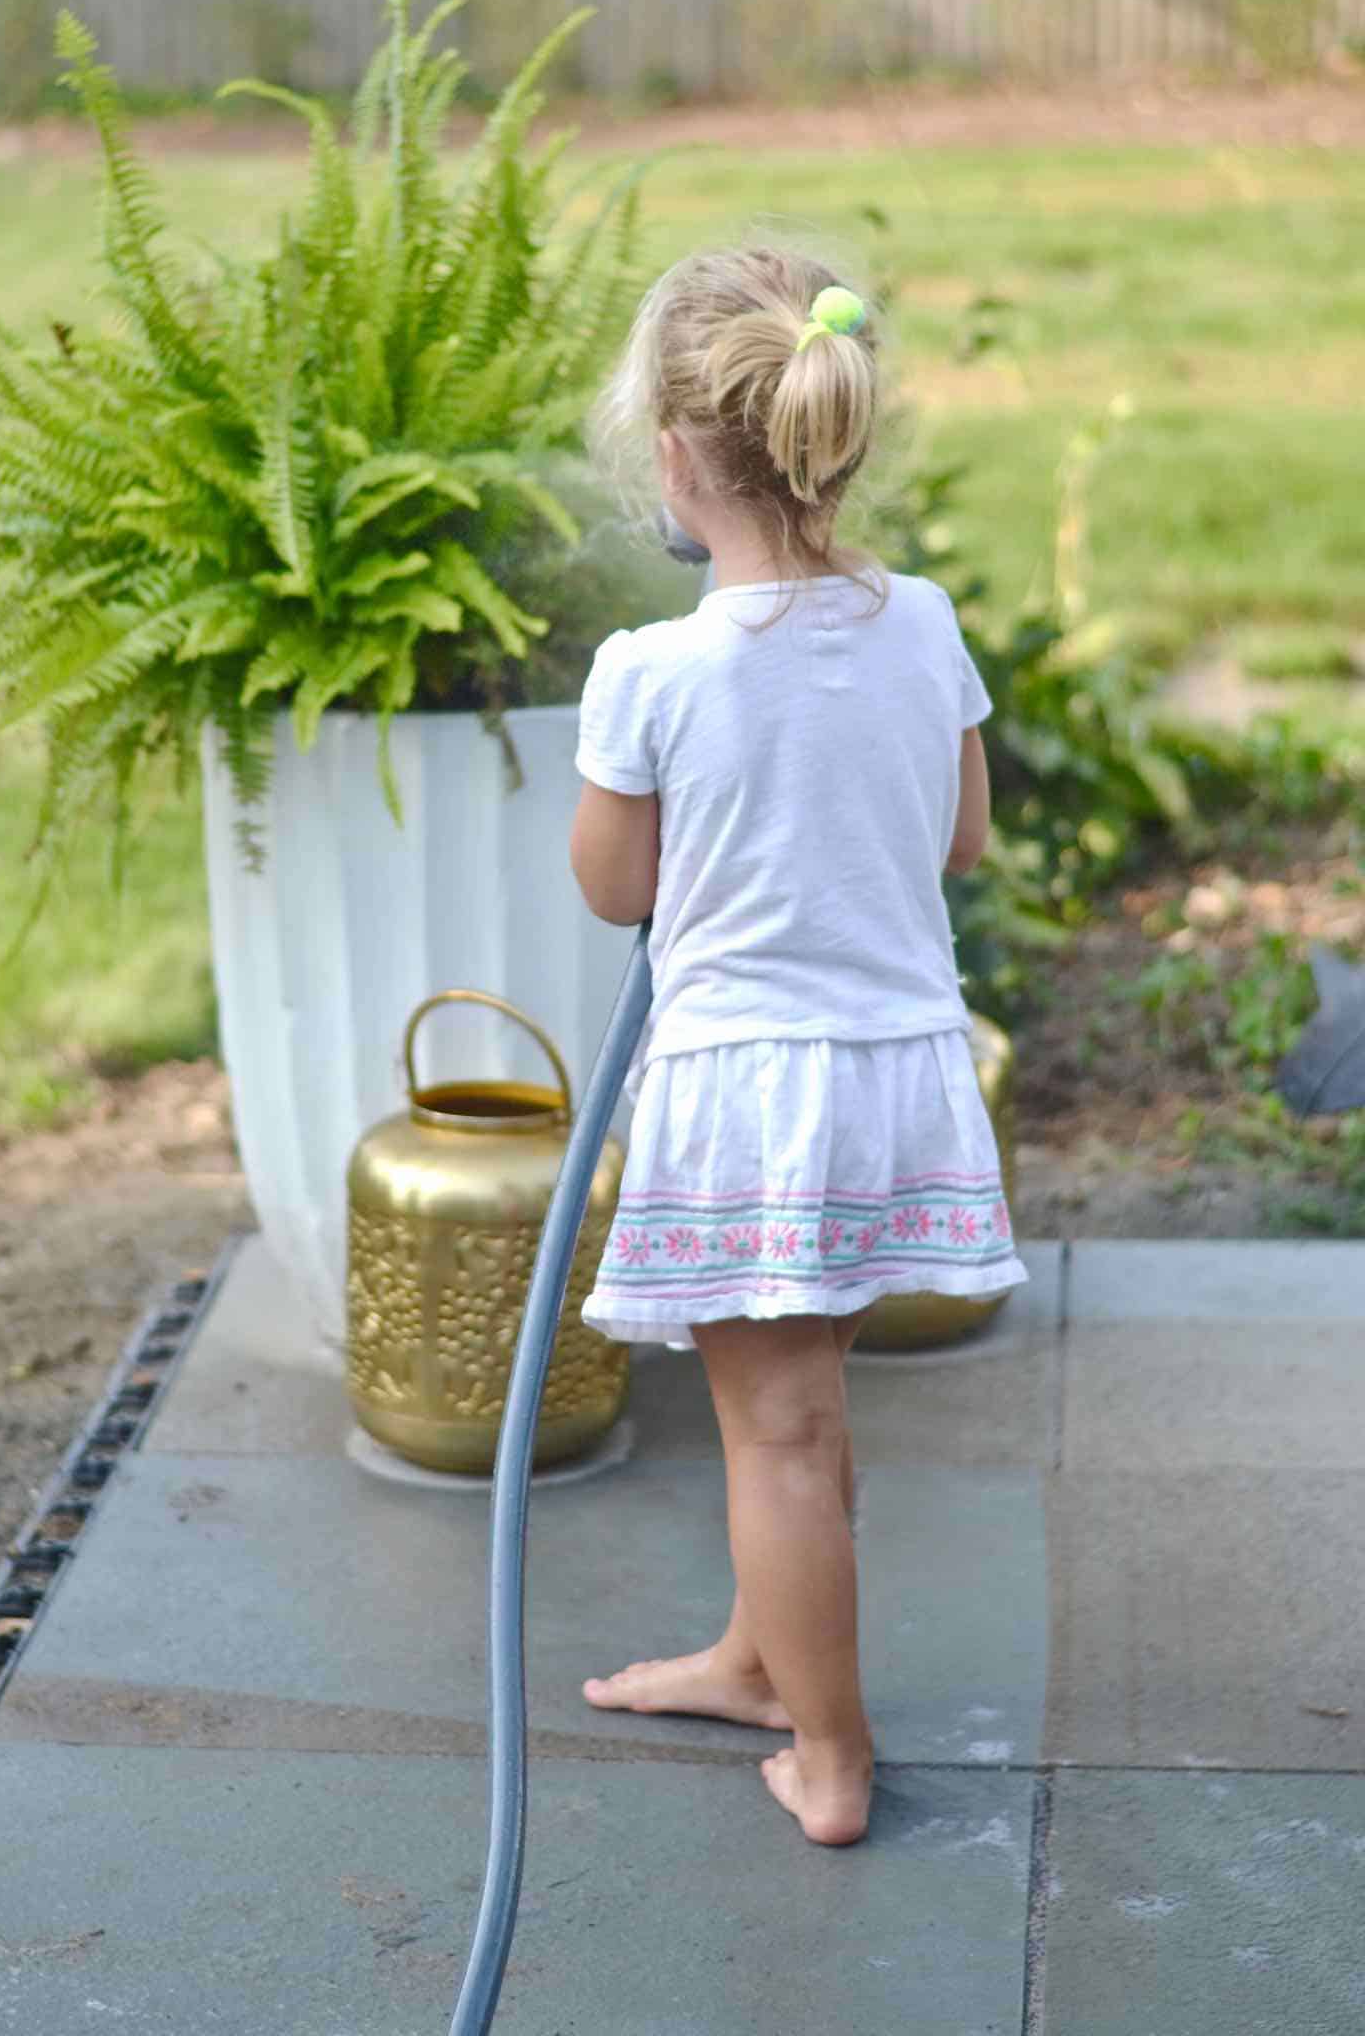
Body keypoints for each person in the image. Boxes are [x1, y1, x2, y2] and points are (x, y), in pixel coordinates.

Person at [567, 244, 1029, 1849]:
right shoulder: (928, 626)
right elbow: (961, 838)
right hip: (889, 1072)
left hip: (751, 1089)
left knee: (773, 1429)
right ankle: (759, 1656)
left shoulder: (654, 671)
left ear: (679, 463)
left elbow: (616, 884)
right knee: (804, 1414)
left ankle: (825, 1754)